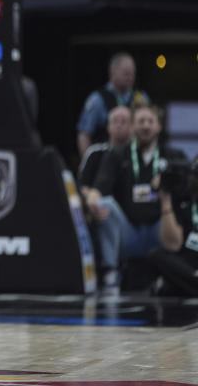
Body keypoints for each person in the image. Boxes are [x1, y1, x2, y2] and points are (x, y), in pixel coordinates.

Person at [86, 103, 186, 295]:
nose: (146, 126)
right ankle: (110, 272)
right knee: (103, 204)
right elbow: (100, 187)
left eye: (150, 121)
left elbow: (187, 194)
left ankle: (179, 270)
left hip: (160, 231)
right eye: (141, 121)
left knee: (178, 211)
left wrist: (166, 189)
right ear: (132, 126)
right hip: (129, 233)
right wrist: (92, 199)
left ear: (159, 126)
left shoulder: (173, 156)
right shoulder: (117, 154)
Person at [76, 52, 149, 159]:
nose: (130, 77)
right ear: (112, 73)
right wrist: (88, 161)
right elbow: (84, 134)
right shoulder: (97, 99)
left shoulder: (141, 98)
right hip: (104, 159)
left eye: (133, 74)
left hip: (134, 161)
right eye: (126, 73)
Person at [148, 160, 198, 296]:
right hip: (188, 260)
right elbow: (173, 245)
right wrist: (166, 201)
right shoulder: (182, 200)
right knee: (156, 255)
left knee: (168, 288)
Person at [78, 106, 132, 191]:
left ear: (132, 126)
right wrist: (90, 197)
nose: (119, 125)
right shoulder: (94, 152)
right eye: (115, 121)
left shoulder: (137, 153)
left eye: (123, 121)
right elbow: (83, 186)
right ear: (108, 126)